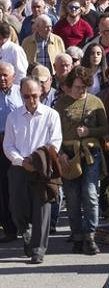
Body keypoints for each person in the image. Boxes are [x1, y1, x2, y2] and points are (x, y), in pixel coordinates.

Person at [3, 77, 62, 264]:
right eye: (26, 96)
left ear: (41, 94)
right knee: (18, 208)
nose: (31, 100)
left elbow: (55, 142)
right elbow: (8, 145)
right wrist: (21, 161)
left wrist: (38, 159)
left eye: (34, 96)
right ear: (21, 96)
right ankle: (26, 232)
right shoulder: (13, 117)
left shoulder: (51, 115)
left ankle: (38, 249)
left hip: (42, 168)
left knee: (42, 210)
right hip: (19, 168)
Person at [54, 66, 108, 255]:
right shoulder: (61, 104)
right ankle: (77, 236)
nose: (80, 91)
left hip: (90, 153)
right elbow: (53, 132)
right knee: (72, 197)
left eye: (84, 87)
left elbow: (104, 128)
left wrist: (89, 132)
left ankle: (90, 235)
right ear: (69, 86)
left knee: (90, 193)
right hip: (68, 154)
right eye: (77, 87)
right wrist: (60, 152)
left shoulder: (96, 102)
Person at [0, 63, 21, 243]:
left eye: (5, 75)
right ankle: (9, 229)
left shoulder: (21, 93)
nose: (2, 79)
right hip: (0, 145)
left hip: (18, 145)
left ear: (13, 76)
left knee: (18, 187)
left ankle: (24, 224)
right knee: (3, 189)